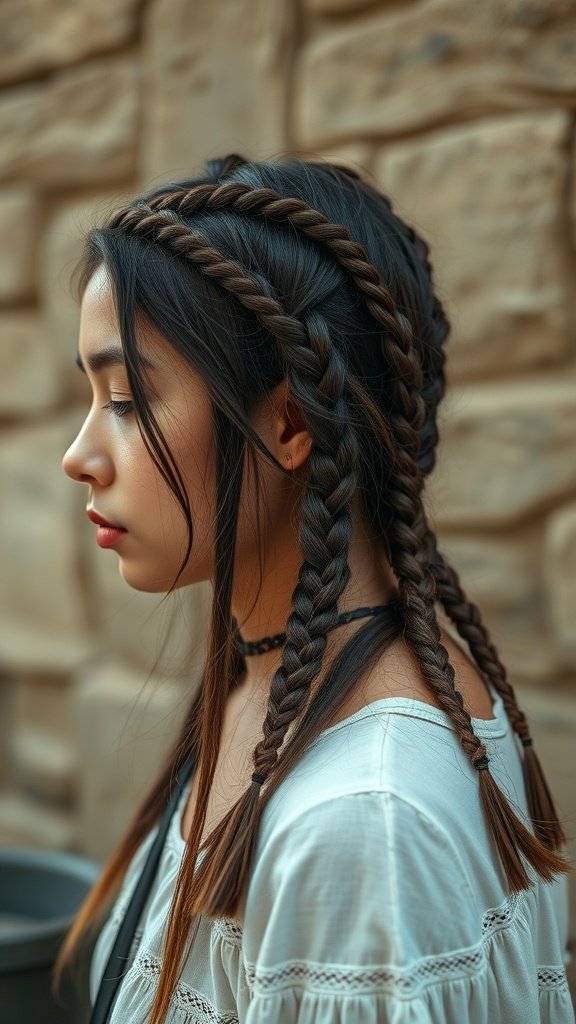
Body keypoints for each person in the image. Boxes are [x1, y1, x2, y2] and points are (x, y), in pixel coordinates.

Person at [55, 153, 573, 1023]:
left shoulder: (364, 824)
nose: (79, 457)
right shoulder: (271, 677)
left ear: (290, 421)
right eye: (92, 395)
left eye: (129, 400)